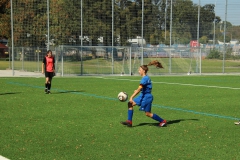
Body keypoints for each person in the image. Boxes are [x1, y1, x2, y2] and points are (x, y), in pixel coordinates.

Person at [121, 60, 166, 127]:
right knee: (130, 104)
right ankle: (129, 121)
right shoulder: (145, 78)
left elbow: (139, 89)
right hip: (143, 95)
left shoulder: (144, 79)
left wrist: (131, 97)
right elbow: (142, 88)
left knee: (147, 113)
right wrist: (137, 90)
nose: (139, 71)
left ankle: (163, 121)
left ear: (143, 71)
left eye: (140, 70)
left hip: (147, 97)